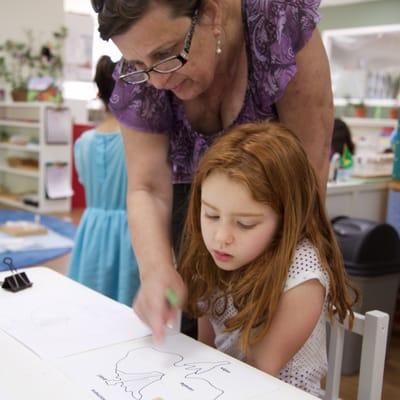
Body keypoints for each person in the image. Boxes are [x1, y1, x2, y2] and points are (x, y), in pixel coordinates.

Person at [92, 0, 334, 340]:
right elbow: (146, 188)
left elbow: (310, 167)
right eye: (137, 64)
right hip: (192, 221)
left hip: (278, 228)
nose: (157, 83)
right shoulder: (145, 78)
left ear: (210, 14)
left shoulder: (277, 24)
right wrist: (157, 269)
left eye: (166, 54)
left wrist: (284, 272)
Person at [178, 122, 357, 397]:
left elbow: (259, 373)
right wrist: (168, 295)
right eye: (211, 215)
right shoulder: (214, 255)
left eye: (245, 223)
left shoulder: (302, 274)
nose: (221, 236)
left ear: (286, 222)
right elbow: (206, 349)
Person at [68, 55, 140, 306]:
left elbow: (85, 182)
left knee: (88, 302)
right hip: (128, 232)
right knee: (122, 305)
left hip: (91, 229)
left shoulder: (83, 142)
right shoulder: (136, 141)